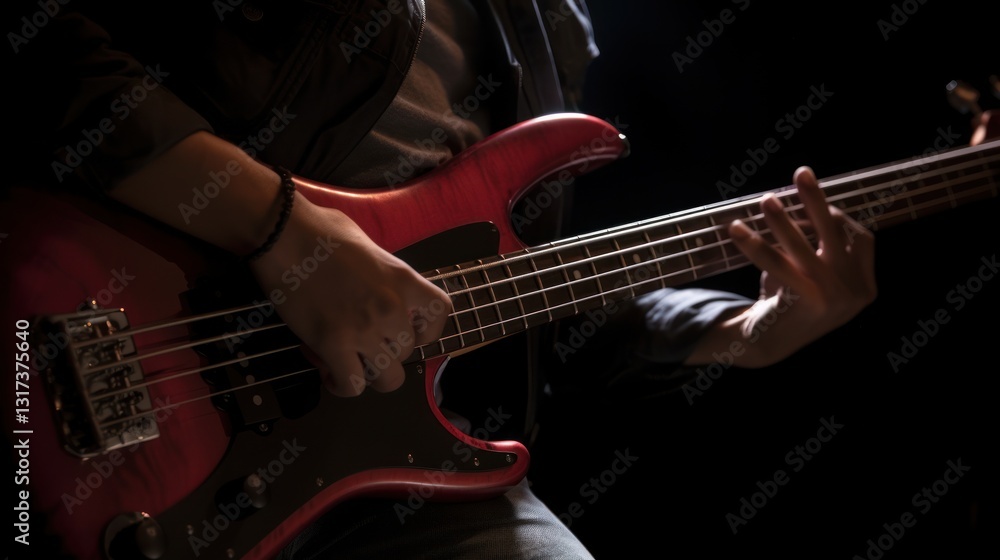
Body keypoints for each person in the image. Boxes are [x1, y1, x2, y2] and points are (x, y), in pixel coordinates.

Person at [18, 0, 988, 558]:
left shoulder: (549, 34)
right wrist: (281, 227)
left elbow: (520, 293)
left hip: (359, 454)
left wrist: (740, 331)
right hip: (93, 322)